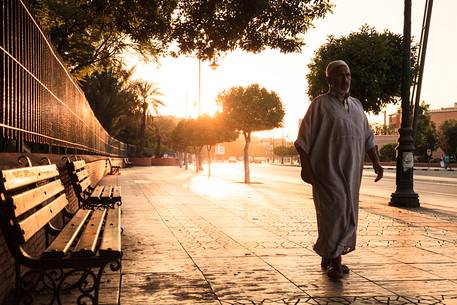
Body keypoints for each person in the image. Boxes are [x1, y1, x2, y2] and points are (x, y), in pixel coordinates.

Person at [294, 60, 383, 279]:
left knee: (347, 212)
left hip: (352, 172)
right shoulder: (320, 104)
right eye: (340, 75)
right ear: (330, 79)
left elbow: (368, 138)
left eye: (348, 75)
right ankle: (335, 261)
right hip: (327, 171)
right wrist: (306, 168)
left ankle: (329, 254)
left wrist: (376, 162)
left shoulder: (357, 106)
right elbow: (303, 140)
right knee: (333, 213)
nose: (345, 80)